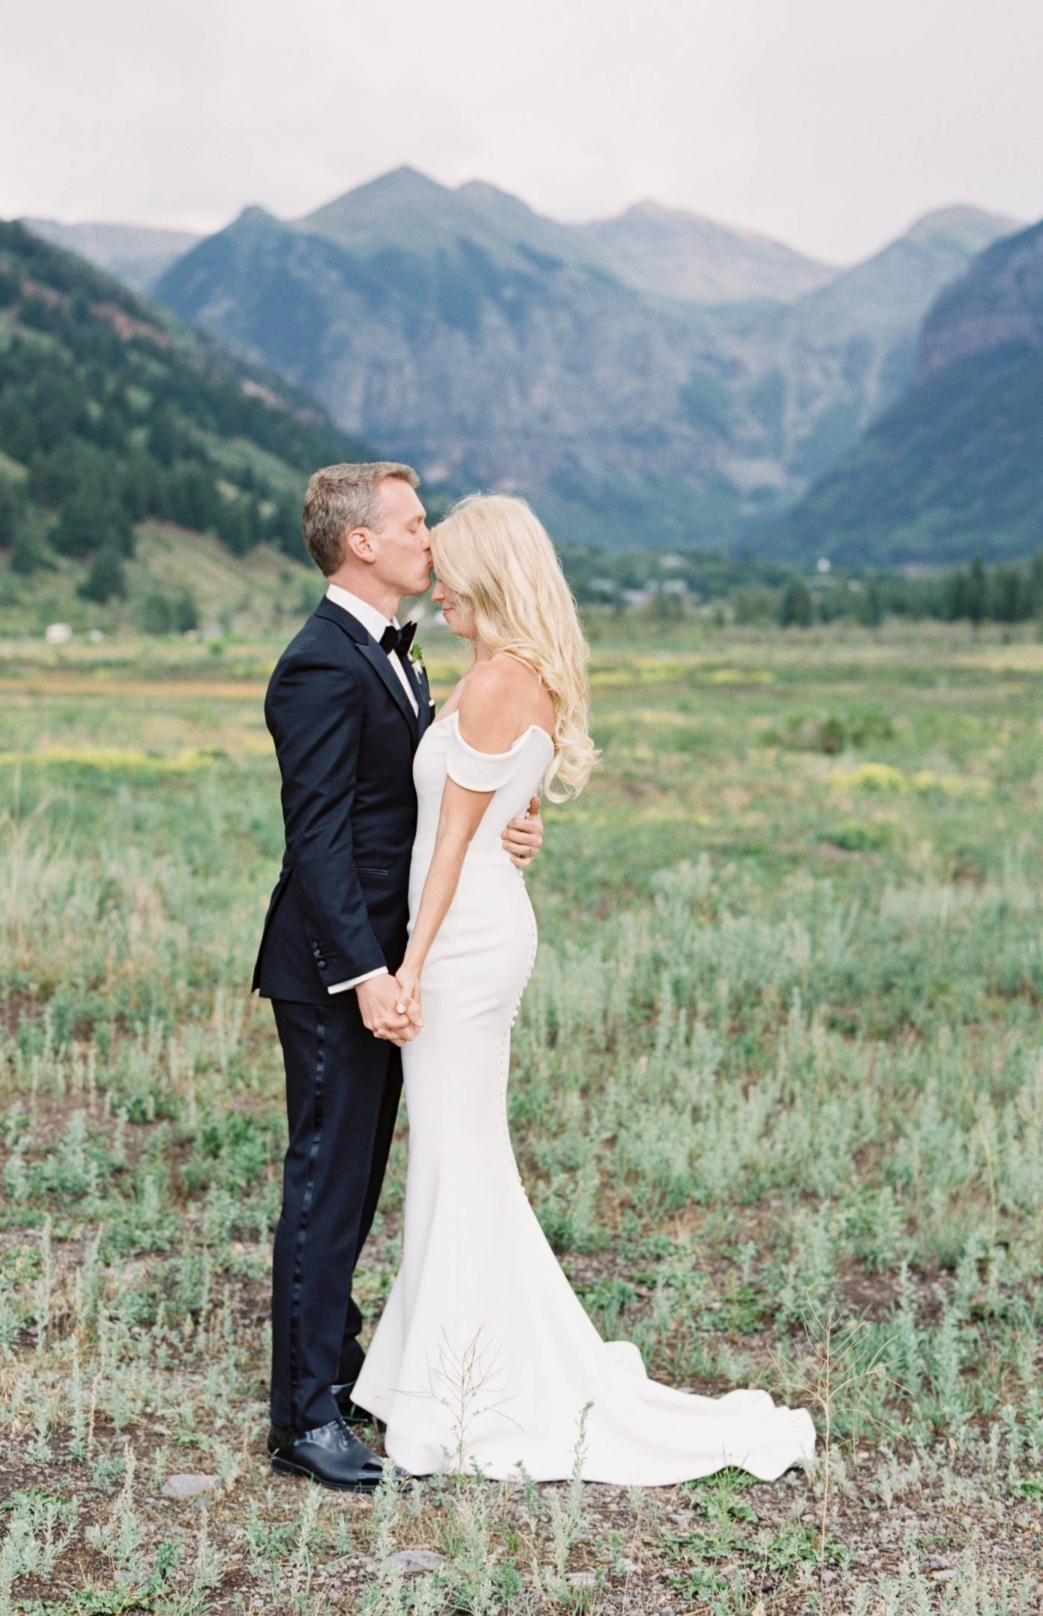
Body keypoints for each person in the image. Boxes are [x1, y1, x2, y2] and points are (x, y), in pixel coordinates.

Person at [351, 493, 817, 1485]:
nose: (437, 587)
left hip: (466, 938)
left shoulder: (494, 685)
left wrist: (411, 965)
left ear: (489, 575)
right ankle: (455, 1368)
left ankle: (471, 1385)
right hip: (482, 920)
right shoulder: (515, 678)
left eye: (450, 571)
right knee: (462, 1150)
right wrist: (521, 833)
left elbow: (450, 852)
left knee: (457, 1150)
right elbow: (491, 814)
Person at [252, 463, 544, 1493]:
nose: (431, 539)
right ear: (361, 543)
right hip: (343, 967)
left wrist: (517, 812)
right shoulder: (320, 664)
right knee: (326, 1179)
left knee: (355, 1178)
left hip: (394, 961)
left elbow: (425, 797)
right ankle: (301, 1420)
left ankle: (334, 1362)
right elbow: (320, 839)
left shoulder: (388, 655)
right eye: (415, 525)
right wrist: (370, 972)